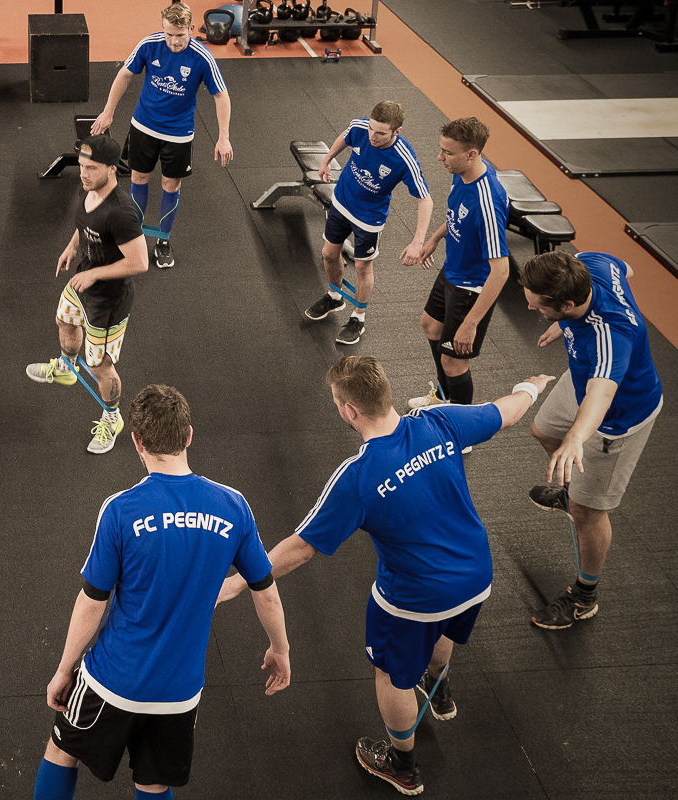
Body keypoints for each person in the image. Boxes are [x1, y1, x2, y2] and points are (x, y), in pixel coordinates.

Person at [218, 356, 552, 796]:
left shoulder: (357, 477)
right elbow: (504, 413)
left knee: (391, 674)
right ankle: (440, 688)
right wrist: (531, 387)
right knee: (442, 630)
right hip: (476, 575)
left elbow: (302, 548)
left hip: (414, 598)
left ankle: (402, 764)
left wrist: (242, 580)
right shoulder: (439, 421)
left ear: (348, 410)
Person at [32, 384, 290, 800]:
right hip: (179, 693)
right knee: (153, 784)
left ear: (136, 442)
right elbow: (267, 592)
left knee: (62, 751)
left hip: (113, 680)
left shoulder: (120, 510)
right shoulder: (233, 505)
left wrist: (65, 669)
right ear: (189, 435)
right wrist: (280, 650)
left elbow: (92, 601)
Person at [517, 252, 663, 630]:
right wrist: (563, 326)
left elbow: (601, 395)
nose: (529, 307)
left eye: (538, 307)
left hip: (617, 415)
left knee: (589, 512)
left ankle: (585, 594)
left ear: (567, 303)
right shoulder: (590, 265)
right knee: (544, 430)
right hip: (582, 373)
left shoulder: (611, 337)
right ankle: (570, 496)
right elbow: (625, 267)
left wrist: (577, 439)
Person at [26, 135, 148, 455]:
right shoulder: (88, 188)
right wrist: (72, 247)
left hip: (108, 300)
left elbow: (139, 262)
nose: (82, 173)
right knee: (64, 320)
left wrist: (94, 273)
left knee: (100, 367)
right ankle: (67, 368)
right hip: (84, 280)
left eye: (91, 168)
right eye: (81, 165)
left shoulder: (121, 213)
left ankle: (112, 417)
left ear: (111, 169)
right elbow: (84, 225)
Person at [90, 2, 231, 270]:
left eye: (180, 35)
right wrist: (108, 112)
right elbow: (124, 75)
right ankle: (135, 235)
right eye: (168, 34)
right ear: (162, 28)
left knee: (170, 185)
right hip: (144, 125)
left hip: (178, 133)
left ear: (190, 28)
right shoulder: (149, 45)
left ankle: (163, 240)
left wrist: (223, 136)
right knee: (138, 177)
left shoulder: (202, 57)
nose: (174, 41)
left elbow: (221, 96)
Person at [303, 101, 433, 345]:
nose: (373, 136)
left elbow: (425, 200)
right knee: (329, 254)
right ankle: (335, 297)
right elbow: (345, 135)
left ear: (397, 131)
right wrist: (327, 159)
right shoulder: (361, 127)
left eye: (381, 133)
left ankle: (358, 317)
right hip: (342, 201)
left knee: (363, 267)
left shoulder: (404, 158)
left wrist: (418, 241)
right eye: (372, 129)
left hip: (369, 218)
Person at [409, 117, 509, 410]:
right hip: (453, 270)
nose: (440, 158)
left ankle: (463, 430)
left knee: (453, 361)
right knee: (430, 325)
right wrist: (436, 239)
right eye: (442, 150)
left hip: (472, 286)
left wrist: (471, 324)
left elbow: (501, 271)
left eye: (447, 153)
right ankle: (442, 399)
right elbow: (456, 214)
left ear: (472, 154)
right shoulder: (463, 172)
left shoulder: (487, 202)